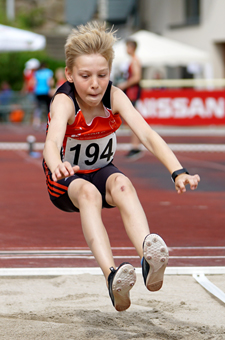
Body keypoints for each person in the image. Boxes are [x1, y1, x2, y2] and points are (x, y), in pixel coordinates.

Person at [42, 21, 200, 312]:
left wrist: (178, 171)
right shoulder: (64, 102)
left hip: (102, 171)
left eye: (102, 75)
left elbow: (148, 135)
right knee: (89, 194)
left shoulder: (114, 97)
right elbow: (51, 144)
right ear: (69, 74)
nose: (94, 84)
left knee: (124, 184)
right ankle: (111, 275)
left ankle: (148, 258)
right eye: (85, 75)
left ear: (110, 74)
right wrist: (57, 165)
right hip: (66, 179)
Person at [118, 39, 142, 159]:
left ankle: (136, 146)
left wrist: (124, 84)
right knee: (131, 120)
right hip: (131, 92)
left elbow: (137, 77)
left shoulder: (135, 61)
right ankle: (134, 146)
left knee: (133, 120)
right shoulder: (132, 61)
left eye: (127, 47)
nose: (126, 49)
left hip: (133, 92)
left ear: (132, 48)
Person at [33, 62, 54, 129]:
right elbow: (49, 82)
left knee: (38, 108)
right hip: (46, 91)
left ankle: (36, 123)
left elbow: (34, 82)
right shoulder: (48, 72)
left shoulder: (37, 73)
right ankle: (48, 122)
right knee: (48, 108)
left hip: (38, 92)